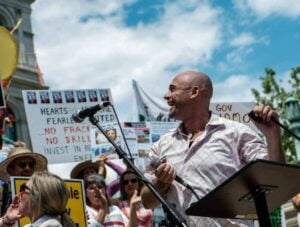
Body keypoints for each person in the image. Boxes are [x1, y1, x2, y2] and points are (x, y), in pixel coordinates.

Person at [140, 70, 286, 226]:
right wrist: (161, 183)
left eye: (173, 89)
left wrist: (272, 135)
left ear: (194, 92)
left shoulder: (235, 133)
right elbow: (146, 201)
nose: (166, 96)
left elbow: (275, 180)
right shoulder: (161, 145)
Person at [0, 147, 48, 215]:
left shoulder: (44, 189)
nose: (27, 168)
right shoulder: (2, 191)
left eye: (31, 165)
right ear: (10, 170)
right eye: (22, 165)